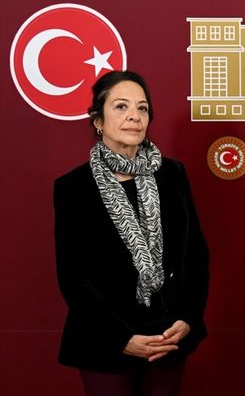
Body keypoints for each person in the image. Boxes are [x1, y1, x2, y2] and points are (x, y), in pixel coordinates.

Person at [54, 71, 209, 396]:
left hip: (167, 337)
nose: (134, 116)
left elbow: (195, 255)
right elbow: (73, 277)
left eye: (142, 108)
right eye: (121, 106)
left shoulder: (173, 174)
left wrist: (187, 318)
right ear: (98, 120)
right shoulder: (73, 187)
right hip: (104, 342)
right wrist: (121, 338)